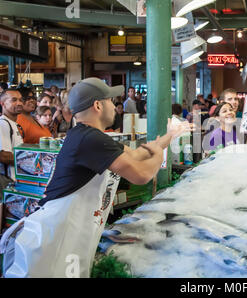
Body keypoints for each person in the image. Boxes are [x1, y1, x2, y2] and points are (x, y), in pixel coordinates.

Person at [0, 77, 192, 278]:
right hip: (56, 237)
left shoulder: (89, 135)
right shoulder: (89, 139)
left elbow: (137, 155)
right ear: (98, 105)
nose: (114, 106)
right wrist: (160, 156)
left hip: (71, 231)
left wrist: (170, 135)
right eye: (110, 100)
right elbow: (141, 175)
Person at [0, 89, 24, 194]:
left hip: (14, 180)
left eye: (20, 100)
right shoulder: (3, 124)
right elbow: (3, 155)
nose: (19, 103)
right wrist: (28, 162)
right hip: (6, 181)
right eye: (14, 100)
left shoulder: (13, 124)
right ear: (3, 103)